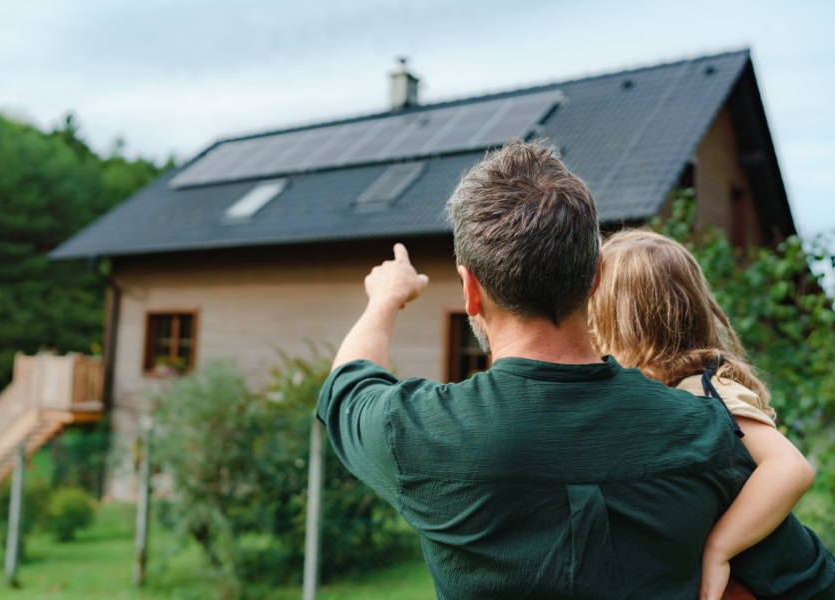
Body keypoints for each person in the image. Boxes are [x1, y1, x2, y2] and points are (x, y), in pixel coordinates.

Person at [316, 139, 835, 599]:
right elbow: (812, 580)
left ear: (470, 290)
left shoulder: (416, 431)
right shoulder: (703, 431)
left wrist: (385, 299)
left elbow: (348, 382)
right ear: (594, 278)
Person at [588, 229, 818, 600]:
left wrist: (719, 549)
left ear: (618, 321)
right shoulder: (664, 390)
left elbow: (790, 468)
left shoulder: (706, 389)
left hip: (789, 585)